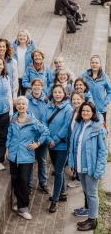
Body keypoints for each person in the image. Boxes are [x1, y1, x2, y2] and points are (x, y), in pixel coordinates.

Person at [6, 96, 50, 220]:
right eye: (18, 104)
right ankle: (19, 204)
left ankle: (23, 207)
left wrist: (38, 143)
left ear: (27, 106)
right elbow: (9, 134)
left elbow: (45, 132)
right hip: (13, 155)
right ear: (16, 106)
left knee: (24, 181)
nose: (21, 106)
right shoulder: (13, 118)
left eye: (23, 104)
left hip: (26, 156)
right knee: (15, 180)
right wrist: (7, 148)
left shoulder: (33, 121)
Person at [68, 101, 107, 231]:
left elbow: (103, 151)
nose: (85, 113)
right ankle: (90, 217)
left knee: (92, 194)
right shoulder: (79, 125)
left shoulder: (98, 128)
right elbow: (73, 146)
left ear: (93, 113)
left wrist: (99, 170)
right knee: (86, 192)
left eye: (88, 111)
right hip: (80, 166)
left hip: (92, 168)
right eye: (83, 111)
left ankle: (93, 221)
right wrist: (72, 163)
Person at [47, 84, 73, 213]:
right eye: (55, 92)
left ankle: (55, 200)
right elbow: (44, 123)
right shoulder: (49, 106)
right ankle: (62, 193)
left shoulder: (68, 108)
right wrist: (48, 139)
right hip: (50, 144)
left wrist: (55, 139)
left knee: (58, 171)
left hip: (62, 145)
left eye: (59, 92)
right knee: (59, 170)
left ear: (64, 94)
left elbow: (66, 127)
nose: (57, 94)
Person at [26, 78, 50, 194]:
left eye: (39, 85)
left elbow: (47, 118)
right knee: (30, 161)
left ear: (42, 87)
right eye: (34, 85)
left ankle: (43, 183)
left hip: (42, 135)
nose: (36, 87)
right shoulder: (26, 100)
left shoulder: (46, 101)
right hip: (30, 136)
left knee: (42, 160)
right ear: (31, 87)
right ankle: (29, 185)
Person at [82, 55, 111, 122]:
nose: (94, 64)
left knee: (101, 129)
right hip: (87, 109)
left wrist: (105, 102)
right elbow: (80, 88)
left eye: (96, 63)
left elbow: (110, 91)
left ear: (100, 64)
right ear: (90, 64)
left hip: (100, 109)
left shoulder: (105, 77)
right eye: (92, 62)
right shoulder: (85, 76)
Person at [11, 29, 36, 96]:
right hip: (16, 77)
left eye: (24, 36)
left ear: (27, 37)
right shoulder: (13, 48)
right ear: (17, 37)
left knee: (25, 97)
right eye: (20, 35)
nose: (22, 37)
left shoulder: (31, 49)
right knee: (16, 96)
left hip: (26, 77)